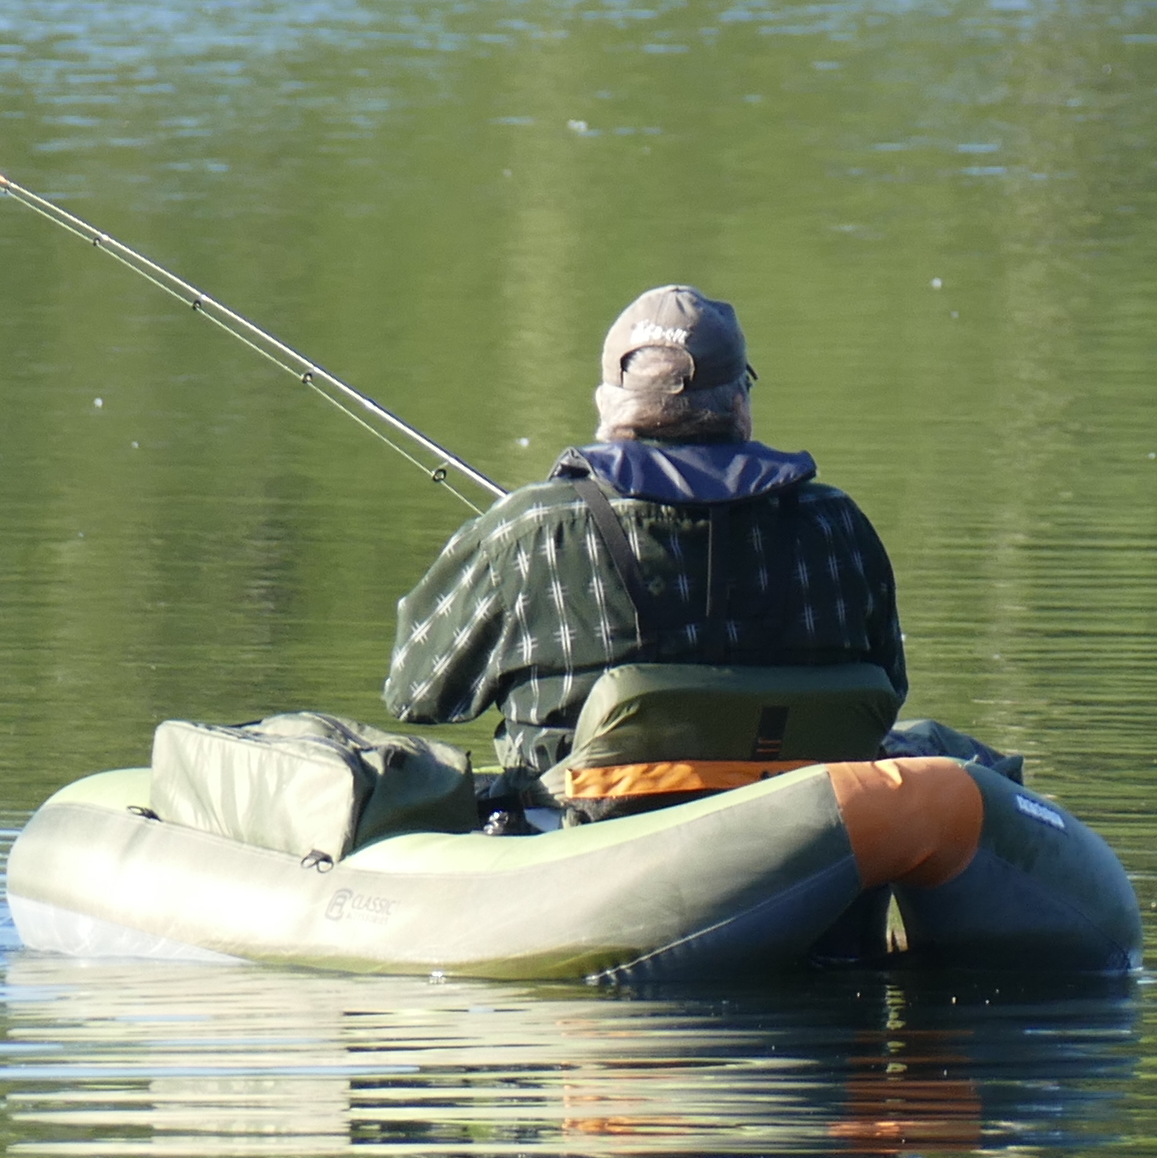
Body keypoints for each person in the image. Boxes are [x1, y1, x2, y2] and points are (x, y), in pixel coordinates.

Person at [381, 285, 904, 797]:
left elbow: (417, 694)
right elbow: (889, 689)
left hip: (584, 832)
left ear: (608, 402)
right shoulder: (837, 523)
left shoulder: (527, 527)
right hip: (807, 831)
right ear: (739, 401)